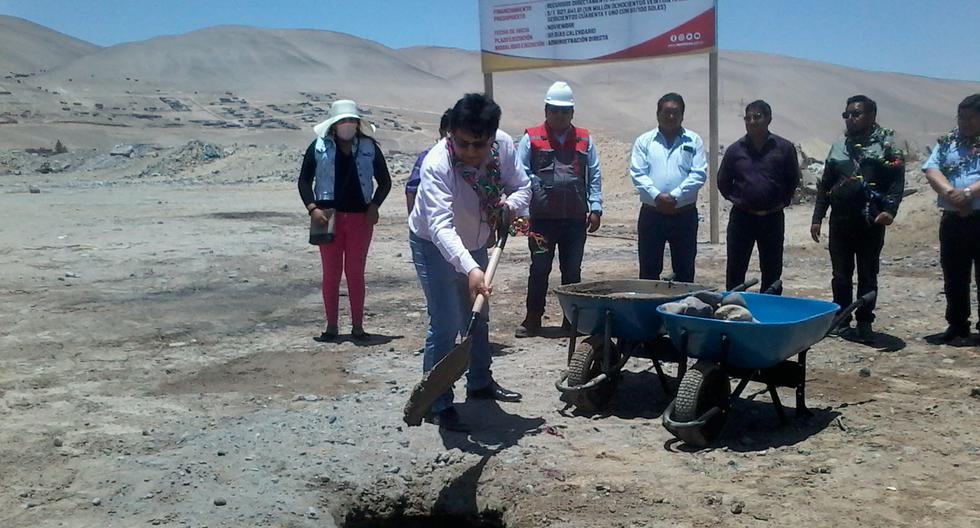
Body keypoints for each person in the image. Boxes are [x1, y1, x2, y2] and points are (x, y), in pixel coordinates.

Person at [408, 93, 531, 432]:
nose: (471, 152)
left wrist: (509, 207)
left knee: (478, 317)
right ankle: (438, 402)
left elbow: (523, 186)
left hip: (476, 241)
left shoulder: (504, 147)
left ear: (492, 137)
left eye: (480, 144)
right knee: (446, 325)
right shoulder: (437, 164)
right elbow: (440, 227)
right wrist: (471, 268)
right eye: (463, 144)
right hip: (433, 244)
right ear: (451, 133)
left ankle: (479, 383)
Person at [810, 95, 905, 343]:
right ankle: (841, 319)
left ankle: (864, 321)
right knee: (840, 274)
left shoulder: (886, 148)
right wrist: (818, 217)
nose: (850, 119)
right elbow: (825, 185)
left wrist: (890, 211)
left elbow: (896, 183)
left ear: (872, 116)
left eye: (856, 114)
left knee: (867, 273)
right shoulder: (838, 147)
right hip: (840, 223)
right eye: (847, 114)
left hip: (869, 223)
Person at [514, 81, 603, 338]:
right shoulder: (531, 138)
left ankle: (571, 319)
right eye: (554, 110)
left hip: (575, 219)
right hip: (541, 221)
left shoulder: (585, 138)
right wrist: (525, 209)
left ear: (572, 113)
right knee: (540, 268)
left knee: (572, 271)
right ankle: (533, 318)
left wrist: (595, 207)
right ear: (546, 110)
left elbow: (594, 174)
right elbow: (521, 174)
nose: (559, 115)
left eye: (565, 111)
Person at [298, 99, 391, 341]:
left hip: (361, 218)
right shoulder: (318, 147)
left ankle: (358, 326)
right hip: (327, 218)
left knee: (355, 272)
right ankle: (331, 326)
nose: (347, 125)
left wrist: (374, 206)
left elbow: (385, 181)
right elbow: (304, 181)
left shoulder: (369, 148)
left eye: (351, 120)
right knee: (331, 273)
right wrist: (312, 209)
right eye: (343, 121)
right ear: (334, 124)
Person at [718, 100, 801, 293]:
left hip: (772, 218)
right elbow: (722, 181)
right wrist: (738, 199)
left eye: (757, 117)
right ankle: (734, 313)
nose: (752, 122)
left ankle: (769, 315)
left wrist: (782, 201)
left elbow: (792, 179)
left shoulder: (784, 148)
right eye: (748, 118)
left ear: (768, 119)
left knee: (772, 270)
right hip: (742, 217)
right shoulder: (735, 150)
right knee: (736, 269)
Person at [629, 92, 707, 282]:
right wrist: (657, 196)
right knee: (648, 270)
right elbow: (638, 173)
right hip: (652, 215)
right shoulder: (644, 142)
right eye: (666, 112)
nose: (671, 117)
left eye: (676, 113)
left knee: (685, 269)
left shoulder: (693, 140)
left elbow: (699, 173)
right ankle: (648, 310)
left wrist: (675, 197)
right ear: (658, 114)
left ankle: (681, 310)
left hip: (684, 215)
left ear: (682, 115)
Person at [922, 93, 980, 343]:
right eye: (960, 117)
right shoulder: (948, 142)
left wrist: (968, 193)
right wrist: (950, 194)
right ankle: (957, 324)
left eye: (970, 118)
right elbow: (931, 168)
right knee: (954, 273)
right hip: (953, 219)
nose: (964, 122)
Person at [406, 109, 452, 213]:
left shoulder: (469, 159)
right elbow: (411, 189)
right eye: (450, 132)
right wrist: (413, 224)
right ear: (441, 131)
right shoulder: (427, 157)